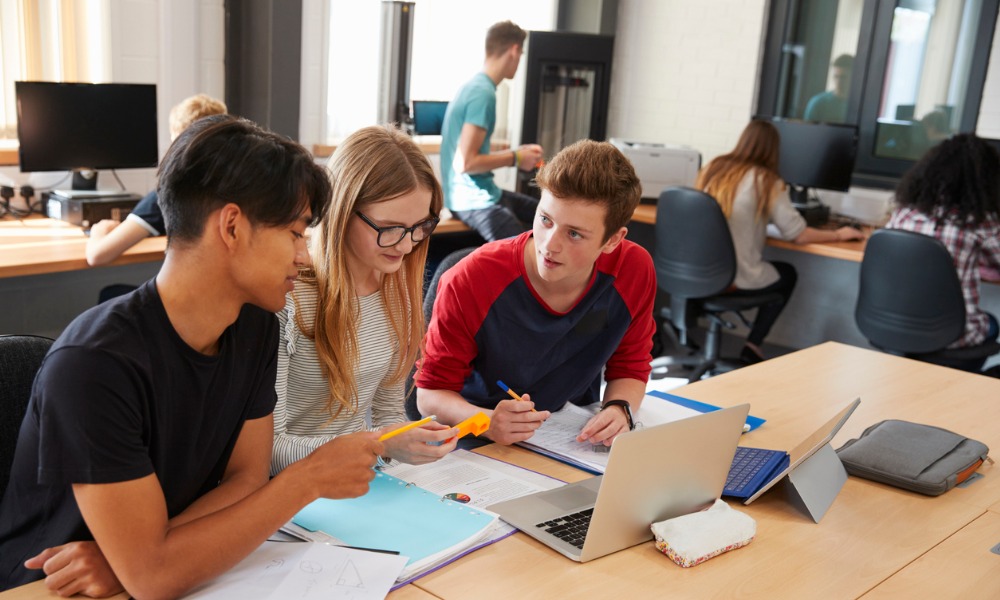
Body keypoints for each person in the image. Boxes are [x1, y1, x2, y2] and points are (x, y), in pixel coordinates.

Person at [0, 115, 384, 598]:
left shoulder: (255, 325)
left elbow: (245, 480)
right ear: (231, 226)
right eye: (294, 232)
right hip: (49, 586)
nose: (304, 257)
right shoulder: (92, 364)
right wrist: (305, 481)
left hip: (168, 570)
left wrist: (145, 555)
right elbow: (153, 579)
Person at [416, 139, 656, 447]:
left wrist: (620, 408)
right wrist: (487, 423)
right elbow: (429, 396)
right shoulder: (470, 279)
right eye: (545, 220)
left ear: (612, 240)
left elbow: (630, 364)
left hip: (571, 435)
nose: (550, 245)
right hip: (480, 439)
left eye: (574, 234)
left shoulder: (633, 268)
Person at [272, 124, 458, 474]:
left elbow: (387, 416)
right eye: (389, 228)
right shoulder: (288, 298)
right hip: (291, 492)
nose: (406, 246)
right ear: (342, 212)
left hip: (358, 481)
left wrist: (409, 441)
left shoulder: (395, 292)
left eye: (420, 227)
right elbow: (268, 450)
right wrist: (379, 443)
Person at [696, 119, 864, 364]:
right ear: (773, 150)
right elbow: (799, 234)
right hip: (732, 278)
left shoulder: (714, 168)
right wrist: (839, 234)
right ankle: (753, 344)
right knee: (788, 273)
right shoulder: (766, 181)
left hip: (698, 273)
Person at [885, 134, 1000, 370]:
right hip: (952, 337)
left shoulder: (903, 214)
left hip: (891, 327)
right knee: (992, 324)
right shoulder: (979, 222)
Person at [85, 93, 227, 266]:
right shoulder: (238, 188)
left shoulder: (169, 195)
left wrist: (98, 232)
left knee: (110, 292)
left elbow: (97, 256)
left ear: (178, 142)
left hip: (184, 291)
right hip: (225, 291)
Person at [440, 20, 544, 242]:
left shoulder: (474, 87)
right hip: (473, 202)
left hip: (480, 195)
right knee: (530, 251)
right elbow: (465, 163)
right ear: (514, 51)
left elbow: (471, 156)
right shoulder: (482, 94)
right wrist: (515, 158)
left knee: (547, 214)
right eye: (521, 54)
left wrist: (518, 153)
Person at [803, 54, 853, 123]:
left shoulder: (860, 106)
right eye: (836, 76)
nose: (839, 82)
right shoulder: (818, 103)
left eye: (843, 77)